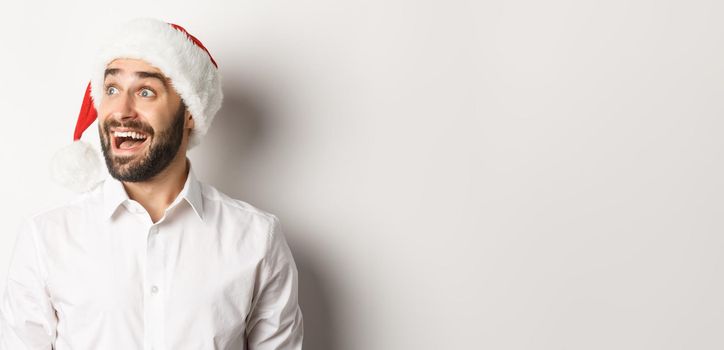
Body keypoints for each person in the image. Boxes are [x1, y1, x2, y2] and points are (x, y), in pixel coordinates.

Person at [0, 17, 303, 349]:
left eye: (145, 91)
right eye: (111, 89)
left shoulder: (257, 239)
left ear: (190, 112)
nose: (121, 110)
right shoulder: (46, 239)